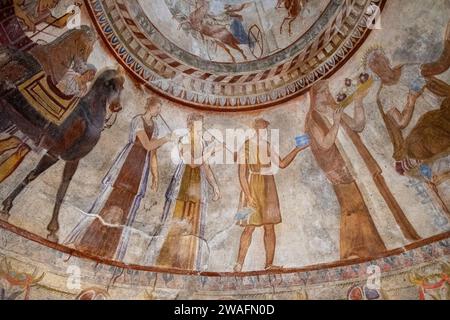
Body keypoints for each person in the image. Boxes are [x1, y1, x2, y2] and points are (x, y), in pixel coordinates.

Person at [65, 97, 172, 260]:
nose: (159, 111)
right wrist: (166, 139)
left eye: (160, 108)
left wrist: (155, 176)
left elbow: (152, 153)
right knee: (107, 203)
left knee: (126, 209)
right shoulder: (138, 120)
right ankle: (83, 242)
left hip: (140, 169)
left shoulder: (155, 127)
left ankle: (108, 251)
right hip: (128, 162)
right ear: (149, 106)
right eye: (158, 107)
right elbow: (148, 145)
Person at [305, 80, 386, 259]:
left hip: (356, 160)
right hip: (339, 168)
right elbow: (325, 144)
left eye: (327, 91)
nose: (327, 95)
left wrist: (357, 103)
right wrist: (335, 123)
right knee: (353, 207)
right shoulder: (313, 119)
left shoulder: (334, 109)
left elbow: (358, 126)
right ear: (315, 96)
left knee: (370, 200)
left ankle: (377, 245)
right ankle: (354, 250)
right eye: (323, 92)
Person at [233, 118, 309, 272]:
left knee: (270, 227)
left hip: (268, 186)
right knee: (249, 227)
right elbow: (241, 175)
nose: (264, 131)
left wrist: (297, 149)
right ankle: (238, 264)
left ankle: (268, 264)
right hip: (252, 185)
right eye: (261, 128)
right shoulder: (246, 147)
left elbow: (281, 164)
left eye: (265, 129)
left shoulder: (267, 146)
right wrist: (248, 195)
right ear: (255, 129)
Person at [155, 113, 221, 271]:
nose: (201, 127)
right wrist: (210, 151)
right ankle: (168, 263)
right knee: (179, 221)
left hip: (198, 187)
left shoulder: (202, 143)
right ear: (191, 125)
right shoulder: (183, 140)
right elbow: (192, 164)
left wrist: (214, 186)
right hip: (184, 183)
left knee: (193, 225)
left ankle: (187, 263)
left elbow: (205, 167)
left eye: (202, 123)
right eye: (199, 124)